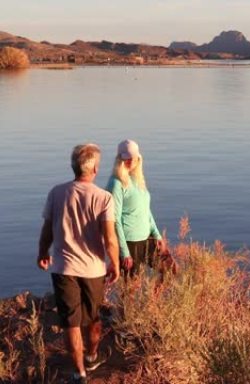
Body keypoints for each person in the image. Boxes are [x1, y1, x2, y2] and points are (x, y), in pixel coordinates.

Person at [37, 143, 120, 384]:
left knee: (70, 322)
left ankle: (79, 373)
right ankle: (92, 356)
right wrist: (113, 263)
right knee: (93, 318)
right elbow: (110, 238)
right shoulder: (103, 198)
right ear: (94, 168)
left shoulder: (56, 193)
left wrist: (42, 251)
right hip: (93, 269)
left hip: (63, 269)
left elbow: (47, 229)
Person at [106, 139, 164, 279]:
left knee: (168, 270)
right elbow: (115, 220)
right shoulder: (116, 183)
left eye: (133, 157)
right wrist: (124, 252)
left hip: (146, 238)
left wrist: (156, 234)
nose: (131, 160)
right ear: (119, 159)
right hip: (130, 242)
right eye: (126, 157)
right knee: (130, 288)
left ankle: (153, 300)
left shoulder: (138, 179)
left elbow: (146, 210)